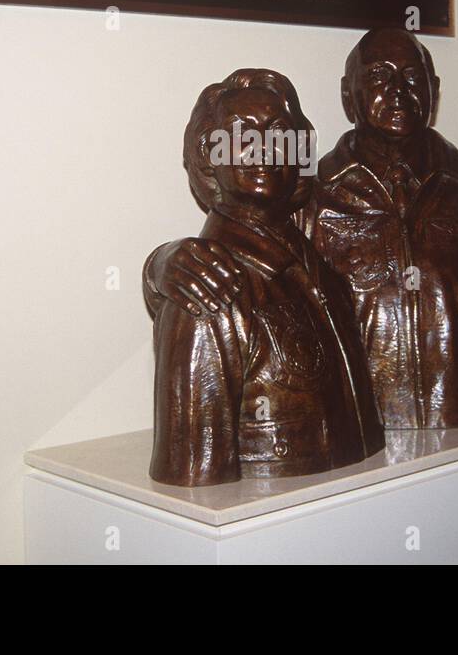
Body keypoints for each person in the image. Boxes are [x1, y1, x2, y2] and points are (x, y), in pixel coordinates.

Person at [145, 29, 458, 429]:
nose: (398, 91)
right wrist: (160, 266)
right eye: (379, 77)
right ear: (349, 97)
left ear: (434, 90)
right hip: (368, 442)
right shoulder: (305, 192)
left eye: (412, 77)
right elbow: (241, 248)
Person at [148, 69, 384, 486]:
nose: (265, 149)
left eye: (279, 134)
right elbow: (198, 484)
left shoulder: (322, 272)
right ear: (208, 155)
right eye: (242, 135)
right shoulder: (208, 291)